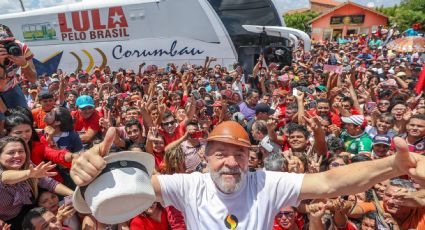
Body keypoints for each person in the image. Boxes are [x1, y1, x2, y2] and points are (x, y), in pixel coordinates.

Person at [70, 122, 425, 229]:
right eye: (220, 153)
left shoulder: (266, 182)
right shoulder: (188, 185)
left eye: (239, 154)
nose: (230, 162)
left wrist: (393, 167)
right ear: (205, 159)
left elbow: (331, 182)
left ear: (250, 159)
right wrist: (90, 171)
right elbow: (130, 186)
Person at [0, 136, 72, 229]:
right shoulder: (28, 171)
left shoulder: (27, 165)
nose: (17, 155)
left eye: (21, 151)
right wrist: (29, 174)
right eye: (11, 152)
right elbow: (4, 177)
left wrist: (74, 195)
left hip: (28, 211)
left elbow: (50, 184)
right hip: (6, 222)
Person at [0, 24, 37, 120]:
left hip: (11, 87)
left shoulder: (21, 48)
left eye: (9, 42)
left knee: (25, 118)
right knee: (3, 121)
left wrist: (24, 64)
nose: (6, 47)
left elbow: (33, 79)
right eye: (1, 44)